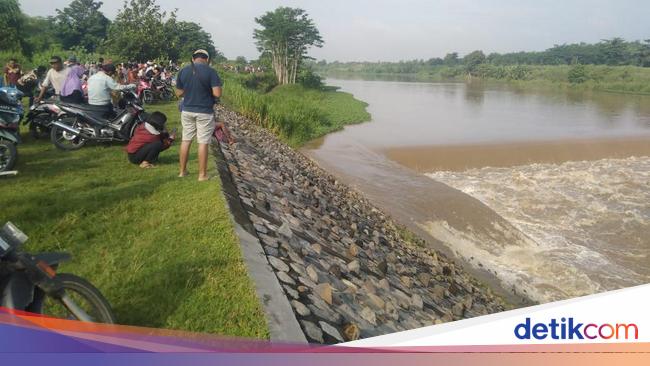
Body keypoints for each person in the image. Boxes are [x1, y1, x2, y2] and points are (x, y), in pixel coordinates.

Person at [175, 49, 223, 181]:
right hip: (204, 112)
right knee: (202, 142)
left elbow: (178, 93)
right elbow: (217, 93)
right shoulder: (211, 71)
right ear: (207, 59)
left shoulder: (183, 71)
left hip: (187, 110)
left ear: (193, 58)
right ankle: (202, 175)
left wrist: (189, 92)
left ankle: (182, 171)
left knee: (186, 140)